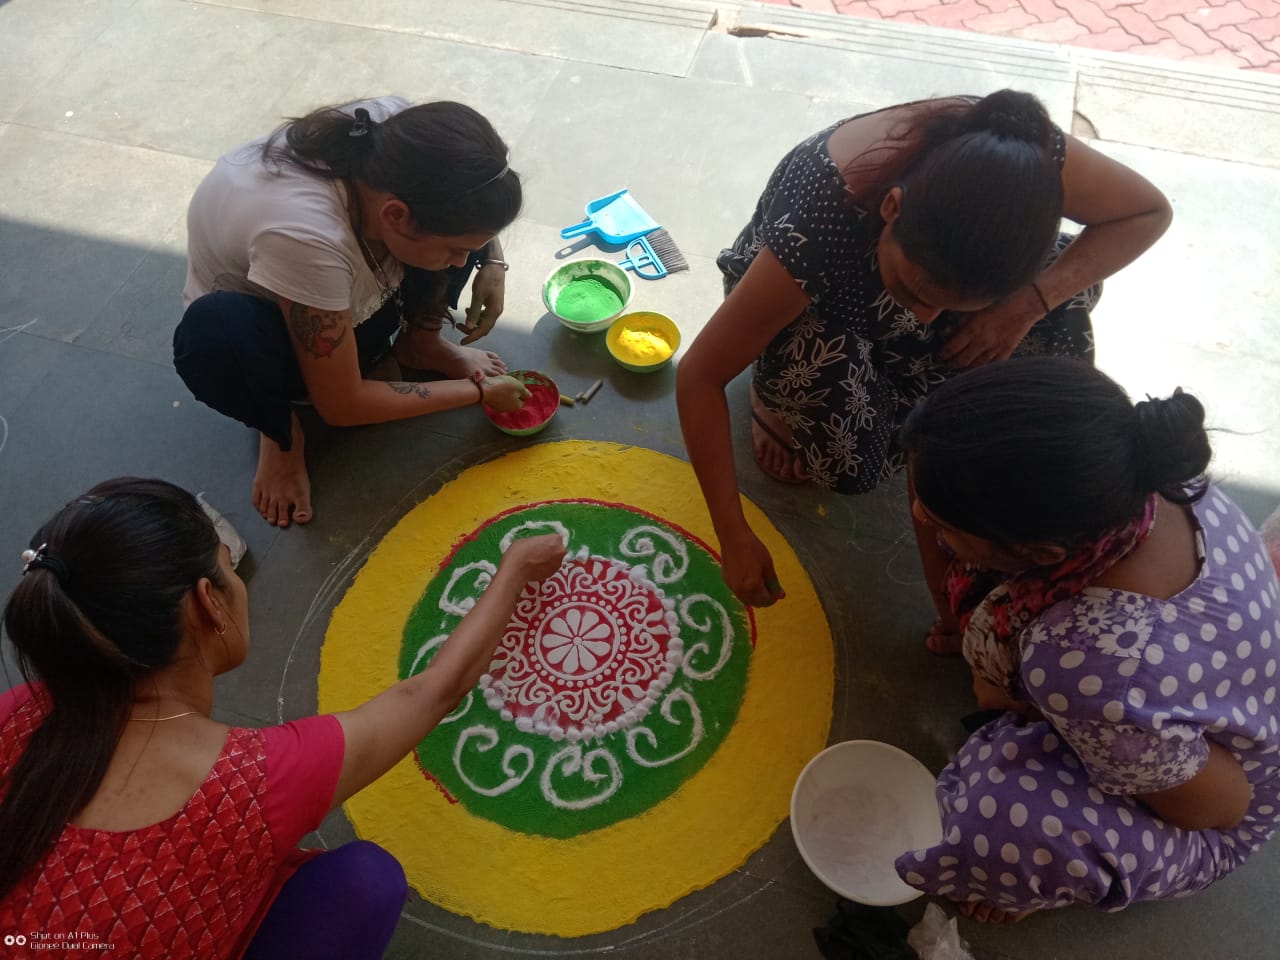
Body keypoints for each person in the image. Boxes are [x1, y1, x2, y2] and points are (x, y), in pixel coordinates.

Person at [0, 478, 566, 957]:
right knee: (365, 882)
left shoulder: (16, 710)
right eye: (229, 568)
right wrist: (514, 569)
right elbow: (430, 694)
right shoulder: (250, 783)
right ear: (208, 602)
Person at [676, 89, 1172, 612]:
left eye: (950, 305)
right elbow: (699, 376)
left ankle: (939, 356)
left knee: (1060, 335)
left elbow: (1147, 212)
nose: (923, 321)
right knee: (852, 466)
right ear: (892, 208)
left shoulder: (1025, 162)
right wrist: (733, 535)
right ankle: (774, 394)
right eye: (914, 294)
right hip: (813, 302)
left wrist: (1024, 305)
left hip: (946, 279)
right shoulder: (821, 223)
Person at [893, 358, 1280, 923]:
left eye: (947, 528)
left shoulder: (1084, 660)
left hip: (1217, 812)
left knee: (995, 816)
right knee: (946, 504)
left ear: (1045, 555)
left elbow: (1223, 806)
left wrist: (1027, 701)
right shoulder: (1153, 479)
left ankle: (1040, 881)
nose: (922, 519)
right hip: (1187, 711)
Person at [174, 96, 533, 529]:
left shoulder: (398, 133)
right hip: (263, 324)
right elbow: (342, 406)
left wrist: (491, 262)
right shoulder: (306, 239)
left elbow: (468, 206)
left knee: (440, 250)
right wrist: (478, 391)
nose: (464, 262)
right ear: (396, 215)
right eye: (460, 249)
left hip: (339, 280)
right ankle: (279, 427)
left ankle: (421, 344)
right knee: (217, 338)